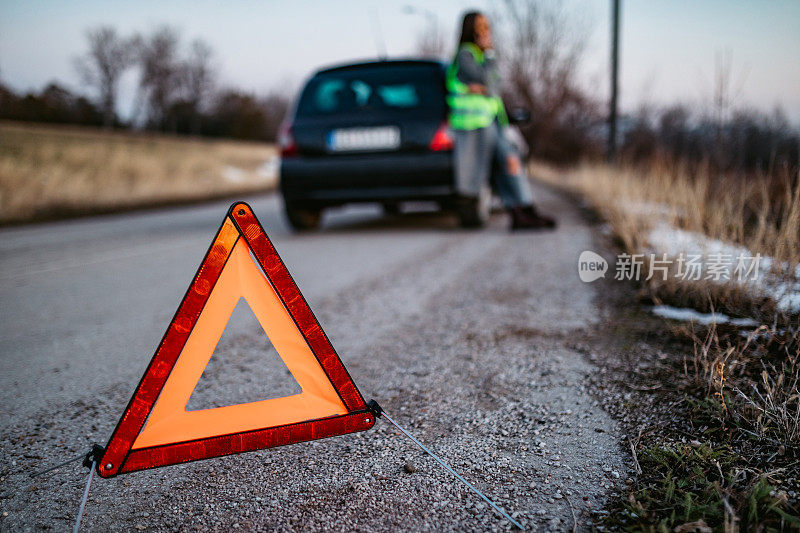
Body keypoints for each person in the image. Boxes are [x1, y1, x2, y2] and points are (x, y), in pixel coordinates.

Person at [446, 11, 556, 230]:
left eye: (487, 25)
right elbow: (488, 80)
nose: (486, 31)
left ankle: (523, 211)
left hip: (492, 122)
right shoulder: (466, 54)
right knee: (501, 165)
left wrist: (485, 84)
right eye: (481, 26)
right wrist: (488, 59)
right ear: (471, 29)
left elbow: (494, 86)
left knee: (509, 162)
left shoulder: (479, 56)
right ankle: (521, 212)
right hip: (475, 125)